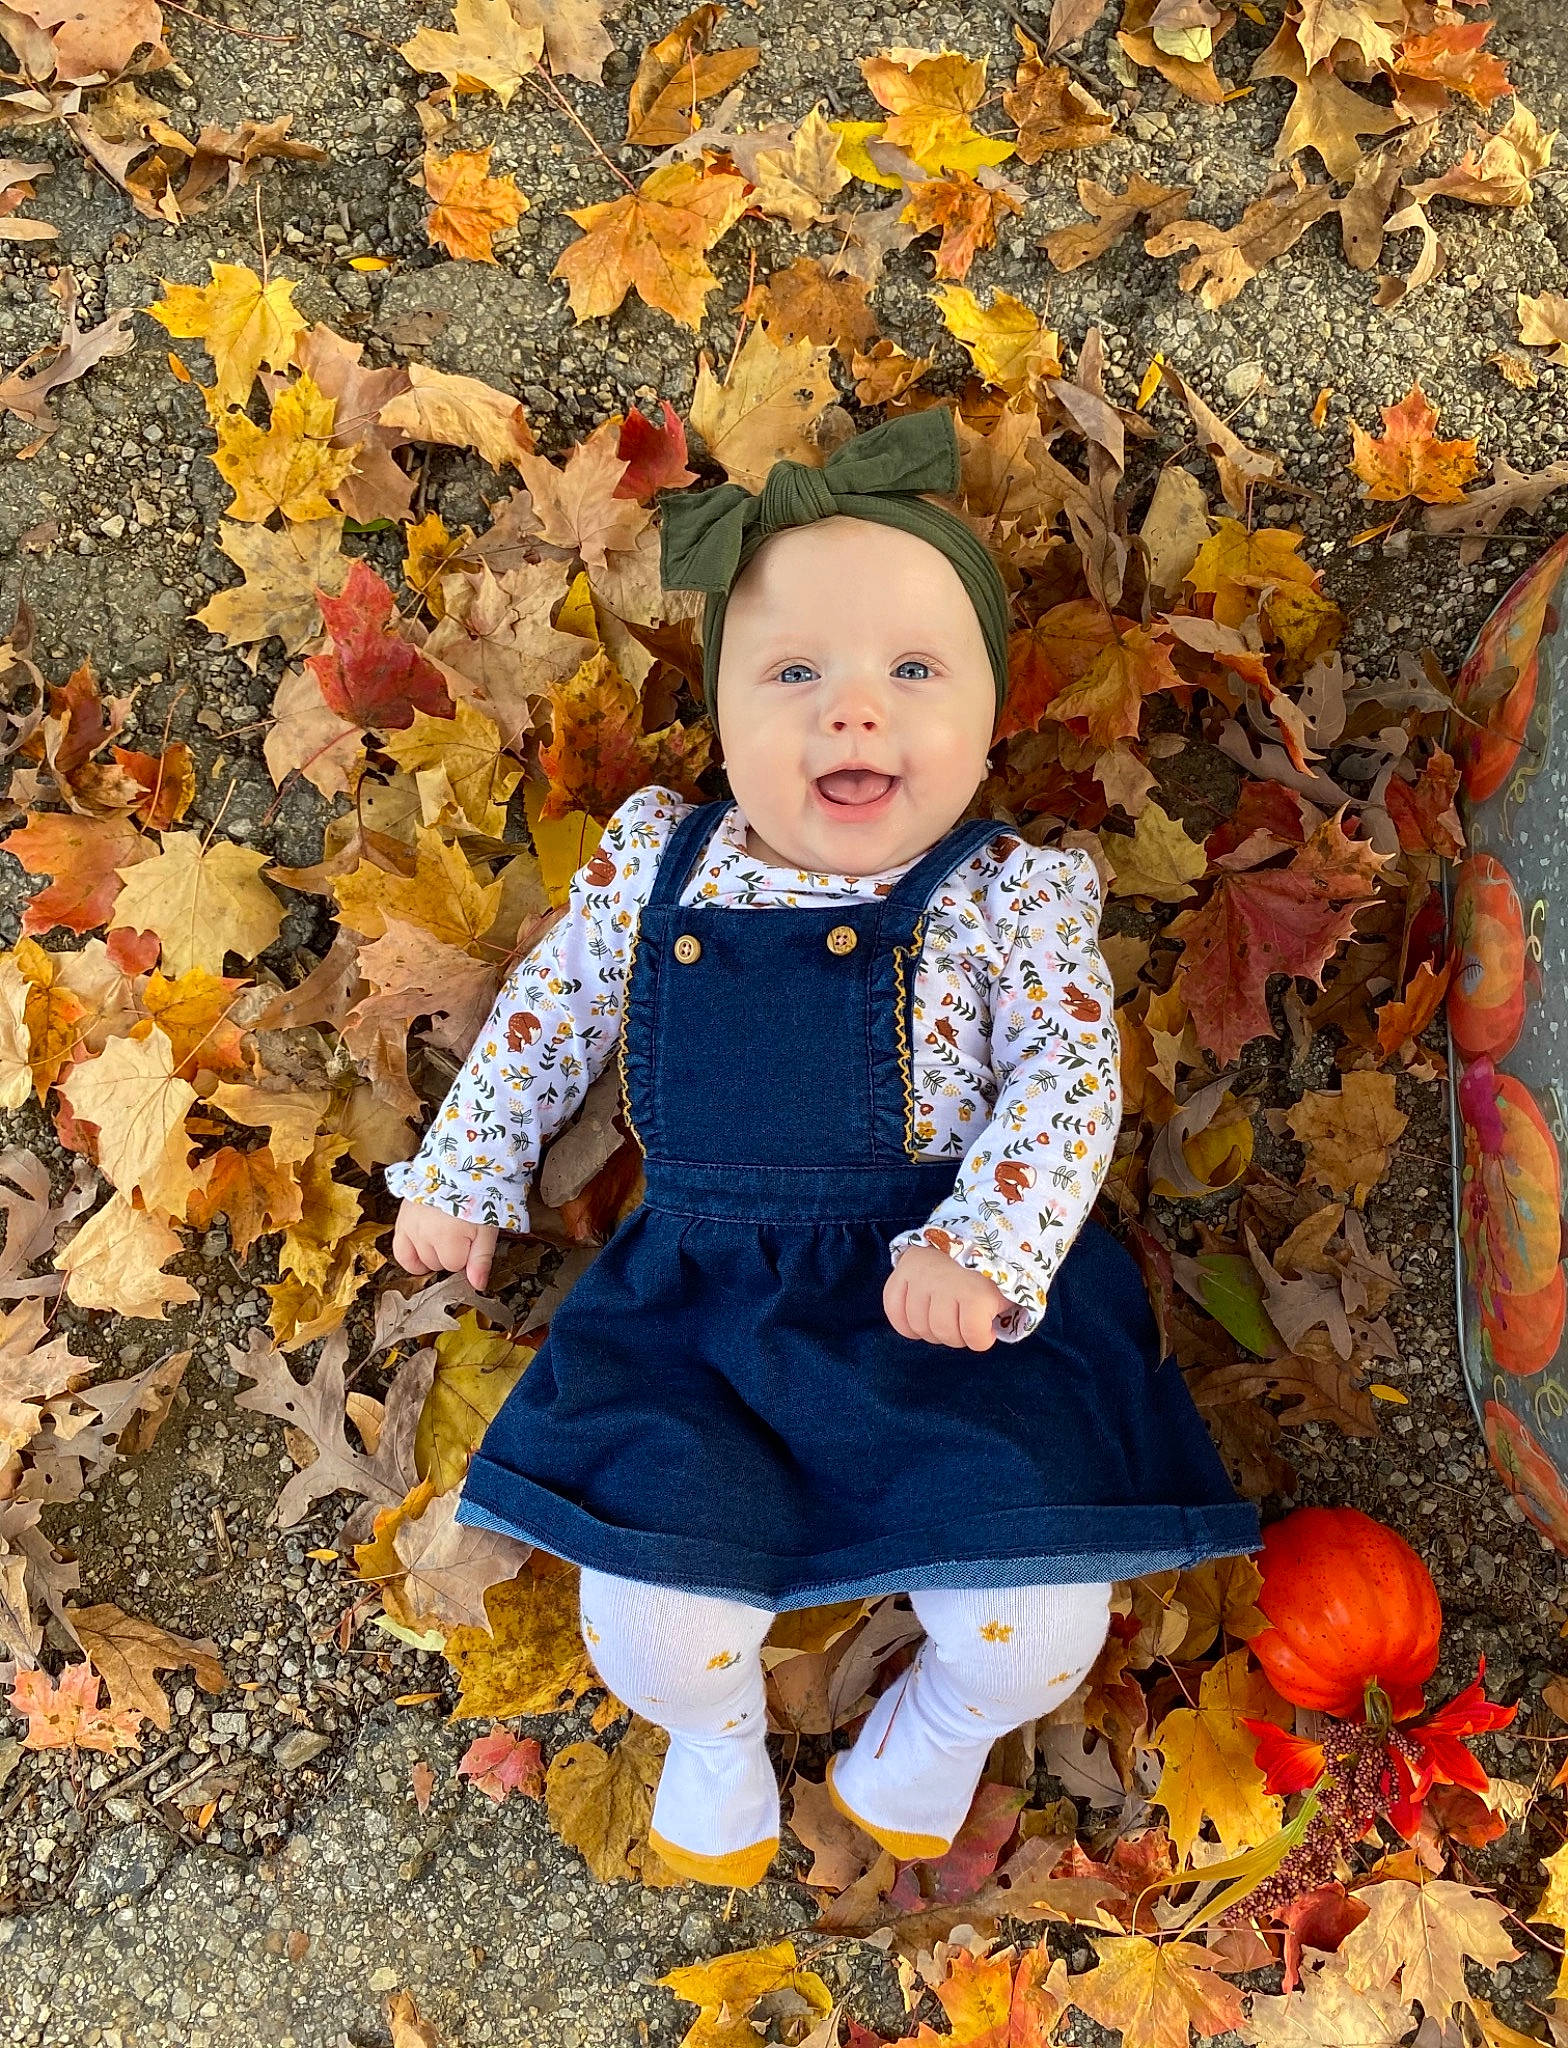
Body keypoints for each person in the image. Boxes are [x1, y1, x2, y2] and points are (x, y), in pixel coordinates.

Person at [386, 407, 1260, 1887]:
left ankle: (938, 1727)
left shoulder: (1007, 895)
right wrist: (470, 1169)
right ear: (722, 715)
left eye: (914, 674)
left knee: (1043, 1618)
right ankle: (712, 1732)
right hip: (705, 1307)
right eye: (793, 675)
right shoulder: (658, 860)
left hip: (938, 1298)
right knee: (653, 1612)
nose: (853, 714)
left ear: (990, 714)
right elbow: (553, 1010)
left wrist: (989, 1241)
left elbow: (1066, 1069)